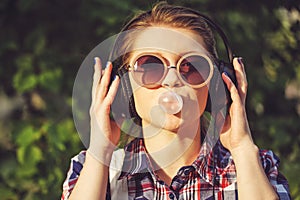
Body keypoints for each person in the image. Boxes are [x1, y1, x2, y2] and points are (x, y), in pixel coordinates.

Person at [61, 2, 291, 200]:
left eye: (191, 67)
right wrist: (100, 149)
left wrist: (241, 147)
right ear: (123, 85)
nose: (172, 81)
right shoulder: (91, 168)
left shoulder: (256, 165)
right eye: (150, 66)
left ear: (215, 85)